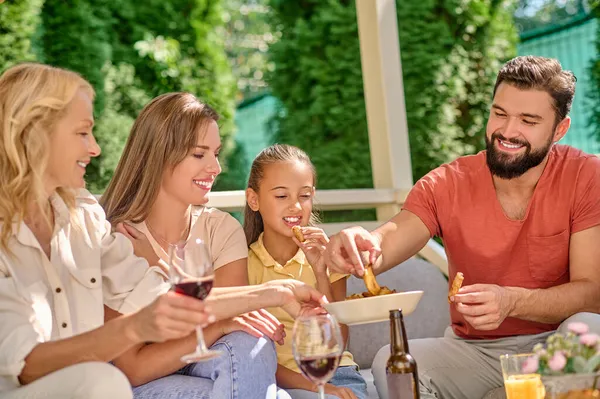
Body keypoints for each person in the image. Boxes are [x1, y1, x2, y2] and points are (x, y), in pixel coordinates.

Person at [0, 63, 326, 399]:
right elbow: (26, 365)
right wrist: (135, 327)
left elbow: (161, 296)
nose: (95, 148)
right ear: (35, 132)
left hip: (93, 387)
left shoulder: (84, 219)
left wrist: (276, 292)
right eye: (83, 133)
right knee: (105, 383)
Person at [322, 55, 600, 399]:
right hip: (475, 353)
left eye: (528, 120)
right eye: (500, 113)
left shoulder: (586, 176)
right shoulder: (446, 183)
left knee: (592, 329)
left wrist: (512, 301)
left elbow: (592, 292)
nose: (508, 131)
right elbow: (389, 239)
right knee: (391, 361)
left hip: (554, 343)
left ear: (559, 129)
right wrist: (361, 243)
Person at [101, 92, 291, 399]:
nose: (215, 168)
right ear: (159, 155)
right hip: (140, 383)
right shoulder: (119, 239)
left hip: (213, 366)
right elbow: (133, 367)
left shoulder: (222, 229)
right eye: (199, 155)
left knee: (250, 341)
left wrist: (161, 270)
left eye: (215, 153)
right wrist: (216, 326)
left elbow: (235, 327)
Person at [244, 144, 368, 399]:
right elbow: (251, 354)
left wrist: (320, 271)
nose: (296, 207)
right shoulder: (243, 265)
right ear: (253, 200)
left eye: (304, 195)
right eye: (281, 196)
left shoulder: (331, 256)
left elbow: (336, 344)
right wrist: (318, 389)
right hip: (277, 380)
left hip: (336, 372)